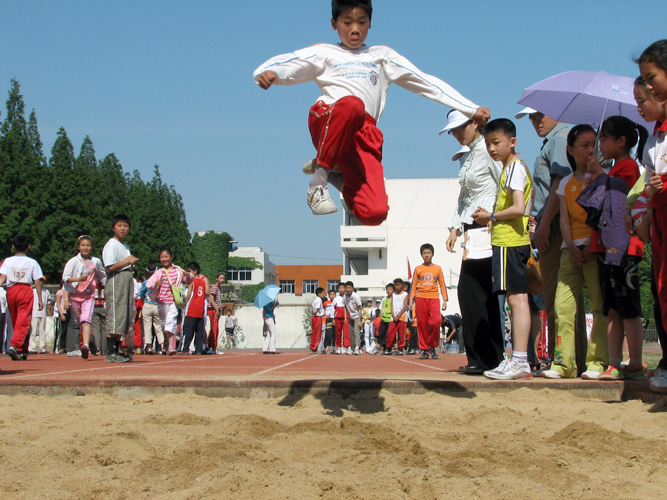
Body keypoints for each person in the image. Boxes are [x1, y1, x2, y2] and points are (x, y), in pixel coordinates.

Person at [253, 0, 489, 224]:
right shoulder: (324, 53)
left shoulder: (382, 56)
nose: (355, 29)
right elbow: (290, 62)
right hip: (329, 119)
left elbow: (425, 82)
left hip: (364, 134)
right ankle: (318, 181)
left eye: (362, 22)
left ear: (370, 23)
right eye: (347, 22)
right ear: (334, 23)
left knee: (374, 214)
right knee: (353, 105)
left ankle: (333, 171)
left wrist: (469, 108)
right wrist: (269, 73)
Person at [515, 108, 585, 364]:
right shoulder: (556, 139)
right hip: (552, 222)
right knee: (561, 296)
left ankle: (563, 358)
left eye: (539, 116)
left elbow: (560, 182)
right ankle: (569, 357)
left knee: (558, 296)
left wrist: (543, 224)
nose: (535, 122)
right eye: (531, 118)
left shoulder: (558, 139)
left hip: (554, 225)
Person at [539, 125, 609, 379]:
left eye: (594, 145)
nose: (591, 150)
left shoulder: (603, 179)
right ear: (570, 149)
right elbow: (565, 220)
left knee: (599, 306)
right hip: (570, 252)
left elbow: (605, 215)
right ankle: (563, 363)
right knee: (562, 307)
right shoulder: (566, 183)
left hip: (596, 251)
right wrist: (570, 245)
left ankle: (597, 362)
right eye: (585, 145)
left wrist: (599, 175)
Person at [585, 117, 649, 380]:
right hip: (608, 247)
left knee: (629, 307)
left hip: (625, 247)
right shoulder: (614, 168)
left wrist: (601, 174)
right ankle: (614, 362)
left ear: (621, 142)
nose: (600, 144)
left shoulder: (629, 166)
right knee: (612, 307)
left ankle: (635, 361)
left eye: (604, 139)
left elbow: (621, 195)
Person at [472, 118, 533, 380]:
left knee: (516, 300)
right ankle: (518, 359)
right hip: (506, 241)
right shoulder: (508, 169)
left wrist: (492, 217)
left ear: (512, 142)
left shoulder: (515, 168)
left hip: (512, 242)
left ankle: (520, 360)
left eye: (496, 142)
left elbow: (519, 207)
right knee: (513, 299)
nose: (492, 148)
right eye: (488, 144)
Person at [636, 40, 667, 393]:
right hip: (659, 221)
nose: (646, 88)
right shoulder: (655, 137)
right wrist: (646, 211)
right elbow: (649, 184)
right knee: (662, 291)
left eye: (650, 80)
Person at [62, 235, 107, 360]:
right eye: (83, 245)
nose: (85, 248)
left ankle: (85, 345)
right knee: (81, 323)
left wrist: (105, 287)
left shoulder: (96, 262)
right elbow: (65, 278)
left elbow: (103, 276)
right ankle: (91, 340)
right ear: (78, 247)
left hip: (89, 296)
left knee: (86, 320)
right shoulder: (72, 262)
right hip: (75, 296)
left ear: (91, 247)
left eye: (88, 245)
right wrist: (78, 279)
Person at [0, 235, 44, 361]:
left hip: (11, 291)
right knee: (23, 320)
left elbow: (2, 277)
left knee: (16, 321)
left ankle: (22, 349)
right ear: (28, 247)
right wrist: (40, 298)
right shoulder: (32, 262)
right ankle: (14, 346)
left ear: (13, 246)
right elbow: (37, 281)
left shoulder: (8, 261)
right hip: (25, 290)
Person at [102, 215, 139, 363]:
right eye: (120, 225)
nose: (123, 229)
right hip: (116, 279)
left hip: (126, 278)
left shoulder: (125, 246)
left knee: (123, 315)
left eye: (126, 226)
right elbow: (110, 266)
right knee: (116, 314)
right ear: (113, 227)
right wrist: (126, 261)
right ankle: (111, 352)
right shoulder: (111, 244)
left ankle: (117, 350)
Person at [145, 248, 193, 355]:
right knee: (164, 326)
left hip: (173, 301)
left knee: (171, 322)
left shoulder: (178, 270)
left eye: (166, 257)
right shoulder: (159, 272)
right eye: (162, 257)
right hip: (161, 302)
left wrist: (188, 275)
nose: (164, 259)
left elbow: (189, 281)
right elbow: (148, 284)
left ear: (171, 257)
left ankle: (171, 347)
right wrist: (156, 284)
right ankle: (167, 344)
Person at [409, 243, 448, 359]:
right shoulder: (418, 269)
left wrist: (445, 299)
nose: (426, 255)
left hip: (434, 298)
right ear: (421, 255)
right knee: (422, 324)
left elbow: (442, 284)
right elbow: (413, 285)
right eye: (424, 253)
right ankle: (424, 349)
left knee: (436, 322)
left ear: (432, 254)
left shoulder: (438, 268)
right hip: (420, 298)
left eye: (428, 253)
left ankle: (433, 345)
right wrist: (411, 300)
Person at [180, 262, 210, 355]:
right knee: (199, 331)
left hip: (192, 308)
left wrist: (185, 306)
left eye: (190, 272)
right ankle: (198, 349)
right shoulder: (203, 281)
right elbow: (207, 292)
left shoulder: (192, 281)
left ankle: (185, 349)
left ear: (195, 271)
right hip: (200, 308)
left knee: (188, 330)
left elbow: (188, 295)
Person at [386, 278, 408, 355]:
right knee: (390, 333)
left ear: (402, 285)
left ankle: (401, 348)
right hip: (394, 317)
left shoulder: (405, 294)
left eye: (398, 285)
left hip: (402, 316)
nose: (397, 287)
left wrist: (399, 315)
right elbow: (391, 305)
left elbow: (405, 305)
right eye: (395, 285)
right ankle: (388, 348)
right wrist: (394, 315)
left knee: (401, 334)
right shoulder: (393, 294)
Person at [28, 284, 51, 354]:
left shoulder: (46, 291)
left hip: (43, 313)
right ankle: (32, 348)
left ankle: (42, 348)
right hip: (34, 313)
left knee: (42, 331)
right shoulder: (32, 291)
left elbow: (50, 300)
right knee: (33, 330)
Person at [208, 272, 226, 351]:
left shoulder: (219, 288)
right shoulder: (214, 287)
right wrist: (216, 309)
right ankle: (213, 347)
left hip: (216, 309)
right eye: (220, 278)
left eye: (223, 278)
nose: (222, 280)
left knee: (214, 328)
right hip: (213, 310)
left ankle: (209, 345)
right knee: (215, 328)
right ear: (216, 279)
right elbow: (211, 299)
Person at [344, 281, 363, 354]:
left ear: (352, 288)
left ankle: (357, 348)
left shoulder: (355, 296)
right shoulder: (345, 296)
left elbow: (360, 308)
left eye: (349, 288)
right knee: (350, 333)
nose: (348, 289)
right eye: (347, 288)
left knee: (356, 332)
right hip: (350, 316)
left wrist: (359, 320)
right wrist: (345, 317)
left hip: (357, 315)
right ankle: (352, 348)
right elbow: (345, 307)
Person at [333, 282, 350, 354]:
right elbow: (333, 309)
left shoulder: (348, 297)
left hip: (346, 318)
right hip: (338, 318)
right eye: (340, 288)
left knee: (346, 333)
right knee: (338, 333)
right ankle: (339, 347)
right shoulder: (336, 298)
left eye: (343, 288)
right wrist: (333, 318)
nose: (341, 289)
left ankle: (347, 347)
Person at [377, 283, 394, 355]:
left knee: (389, 334)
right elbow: (381, 309)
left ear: (393, 290)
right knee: (381, 334)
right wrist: (380, 318)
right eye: (387, 289)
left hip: (390, 319)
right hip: (383, 319)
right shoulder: (384, 299)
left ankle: (389, 348)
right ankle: (384, 348)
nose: (388, 291)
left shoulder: (394, 298)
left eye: (390, 289)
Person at [310, 287, 326, 353]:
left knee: (314, 332)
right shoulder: (319, 300)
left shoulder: (315, 299)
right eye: (323, 293)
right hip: (318, 317)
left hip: (314, 317)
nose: (324, 295)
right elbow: (316, 309)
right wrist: (315, 312)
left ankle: (313, 346)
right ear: (319, 294)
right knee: (318, 333)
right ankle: (315, 347)